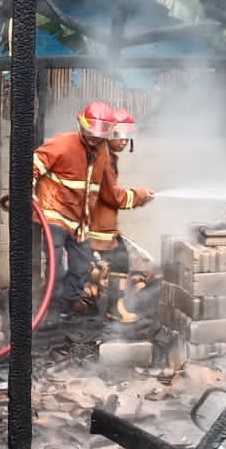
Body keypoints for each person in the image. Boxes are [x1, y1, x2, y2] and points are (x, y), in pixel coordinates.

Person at [27, 101, 153, 317]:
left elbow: (104, 190)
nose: (94, 136)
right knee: (56, 269)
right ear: (81, 125)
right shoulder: (63, 144)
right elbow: (31, 166)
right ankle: (51, 314)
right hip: (54, 215)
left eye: (100, 133)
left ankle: (64, 309)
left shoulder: (102, 151)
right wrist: (27, 192)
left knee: (81, 268)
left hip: (79, 223)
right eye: (90, 131)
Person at [87, 106, 146, 322]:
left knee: (115, 260)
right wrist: (140, 196)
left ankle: (105, 300)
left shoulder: (105, 153)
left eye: (126, 137)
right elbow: (114, 196)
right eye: (118, 135)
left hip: (100, 223)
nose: (123, 140)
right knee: (119, 260)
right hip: (98, 226)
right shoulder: (104, 157)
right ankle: (113, 308)